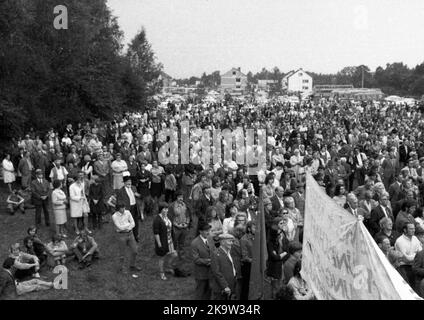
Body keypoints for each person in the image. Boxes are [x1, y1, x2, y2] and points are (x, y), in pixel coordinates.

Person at [111, 203, 141, 277]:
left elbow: (133, 223)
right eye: (122, 208)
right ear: (118, 209)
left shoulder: (127, 212)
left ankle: (132, 265)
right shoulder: (114, 216)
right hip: (121, 235)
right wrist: (128, 225)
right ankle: (123, 268)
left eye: (124, 207)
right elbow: (119, 227)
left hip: (130, 234)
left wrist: (128, 227)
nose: (123, 209)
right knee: (122, 254)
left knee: (135, 251)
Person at [210, 233, 241, 300]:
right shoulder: (216, 254)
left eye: (232, 241)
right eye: (229, 241)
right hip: (221, 288)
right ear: (223, 242)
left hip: (231, 285)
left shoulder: (230, 252)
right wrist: (225, 287)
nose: (231, 243)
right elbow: (217, 273)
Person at [153, 203, 178, 280]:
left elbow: (171, 228)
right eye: (164, 209)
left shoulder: (168, 217)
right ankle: (162, 273)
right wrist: (159, 244)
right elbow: (156, 233)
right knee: (162, 258)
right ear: (161, 209)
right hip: (163, 241)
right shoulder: (157, 220)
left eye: (167, 208)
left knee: (174, 255)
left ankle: (167, 267)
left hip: (170, 240)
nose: (166, 210)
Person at [267, 217, 290, 298]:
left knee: (282, 285)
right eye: (281, 223)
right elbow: (274, 257)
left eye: (284, 223)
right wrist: (282, 255)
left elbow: (287, 251)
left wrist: (281, 255)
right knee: (275, 287)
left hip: (283, 264)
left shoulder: (284, 235)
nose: (283, 225)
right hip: (274, 266)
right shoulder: (271, 239)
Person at [191, 222, 212, 300]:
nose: (208, 232)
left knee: (209, 292)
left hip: (210, 272)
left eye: (209, 230)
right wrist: (209, 261)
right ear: (200, 231)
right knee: (200, 293)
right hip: (201, 273)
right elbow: (196, 259)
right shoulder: (194, 243)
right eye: (206, 230)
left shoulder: (210, 239)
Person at [168, 190, 191, 259]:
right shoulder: (172, 206)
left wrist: (187, 222)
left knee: (182, 242)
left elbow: (188, 215)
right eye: (179, 197)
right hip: (176, 227)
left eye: (182, 197)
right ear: (176, 197)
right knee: (174, 242)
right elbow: (170, 217)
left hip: (184, 226)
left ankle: (181, 254)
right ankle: (173, 255)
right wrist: (176, 225)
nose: (181, 198)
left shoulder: (185, 204)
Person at [240, 220, 255, 300]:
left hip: (254, 265)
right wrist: (254, 261)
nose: (256, 229)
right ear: (249, 229)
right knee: (246, 285)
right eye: (254, 227)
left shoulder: (256, 238)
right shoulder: (244, 239)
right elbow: (244, 256)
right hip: (247, 266)